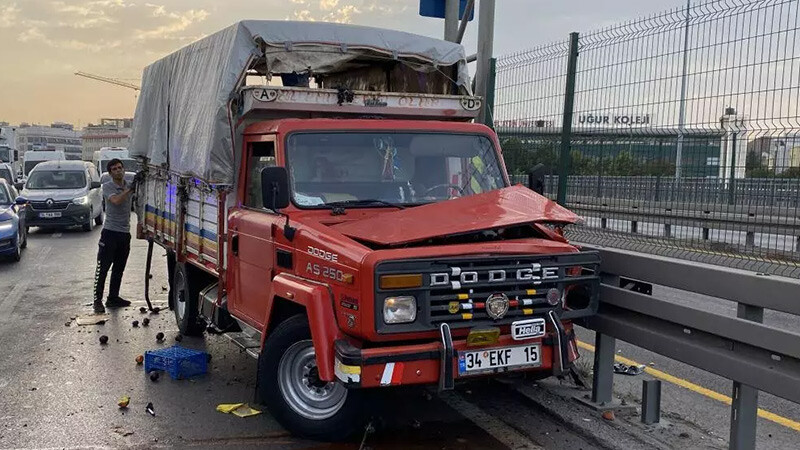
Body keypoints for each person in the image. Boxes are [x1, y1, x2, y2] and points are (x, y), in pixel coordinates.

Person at [92, 159, 134, 313]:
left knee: (119, 268)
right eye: (115, 169)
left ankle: (113, 297)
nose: (118, 171)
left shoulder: (128, 185)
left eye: (120, 168)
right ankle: (97, 300)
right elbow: (116, 200)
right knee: (103, 268)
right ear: (110, 173)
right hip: (110, 233)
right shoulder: (108, 186)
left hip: (124, 233)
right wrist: (129, 190)